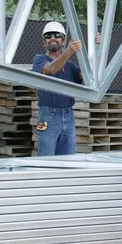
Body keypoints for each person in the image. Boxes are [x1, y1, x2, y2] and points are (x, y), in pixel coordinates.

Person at [32, 21, 100, 156]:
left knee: (68, 161)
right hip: (48, 117)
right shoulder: (39, 59)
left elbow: (87, 76)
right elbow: (51, 69)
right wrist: (69, 51)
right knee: (46, 162)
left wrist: (97, 48)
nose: (52, 38)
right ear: (44, 42)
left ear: (63, 41)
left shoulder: (70, 66)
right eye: (48, 36)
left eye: (57, 35)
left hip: (68, 116)